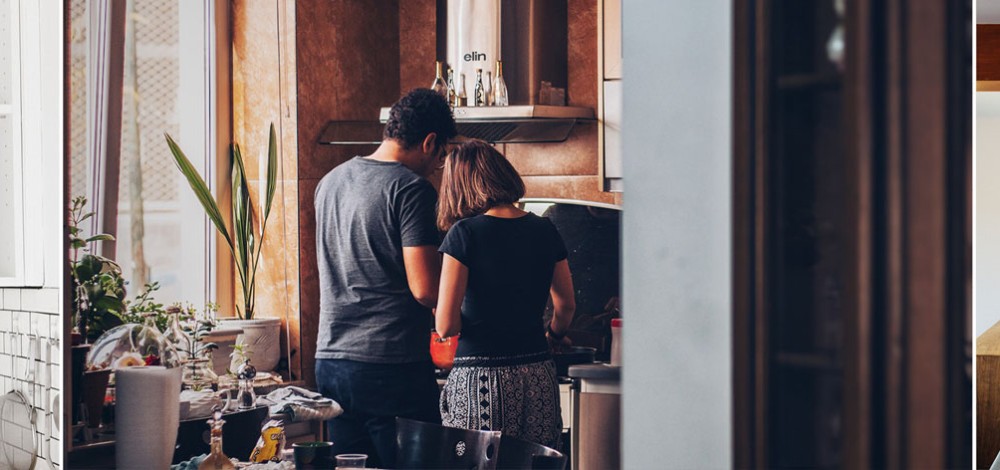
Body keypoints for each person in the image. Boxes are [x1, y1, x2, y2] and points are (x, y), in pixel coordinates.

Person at [314, 88, 457, 468]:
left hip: (331, 361)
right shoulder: (411, 189)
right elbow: (426, 289)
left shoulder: (329, 183)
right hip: (388, 365)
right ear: (430, 142)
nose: (437, 165)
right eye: (441, 155)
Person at [434, 140, 575, 449]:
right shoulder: (545, 229)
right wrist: (553, 336)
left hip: (481, 379)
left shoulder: (464, 234)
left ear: (459, 186)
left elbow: (446, 326)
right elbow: (565, 305)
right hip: (538, 373)